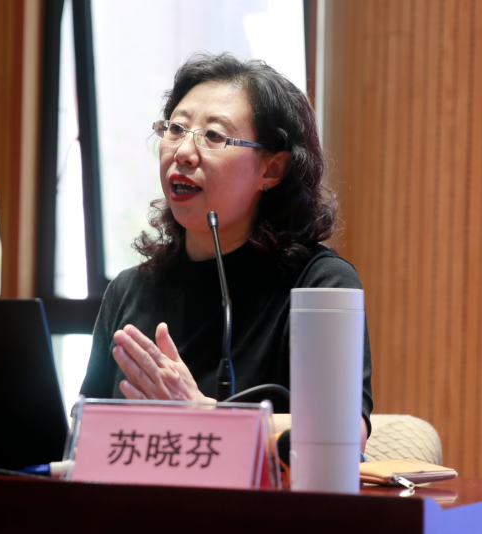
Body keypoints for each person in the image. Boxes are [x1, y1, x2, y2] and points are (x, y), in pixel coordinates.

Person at [80, 52, 373, 449]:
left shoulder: (319, 284)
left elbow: (343, 432)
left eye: (214, 136)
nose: (183, 152)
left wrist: (203, 416)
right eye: (176, 128)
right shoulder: (129, 290)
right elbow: (84, 431)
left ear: (271, 169)